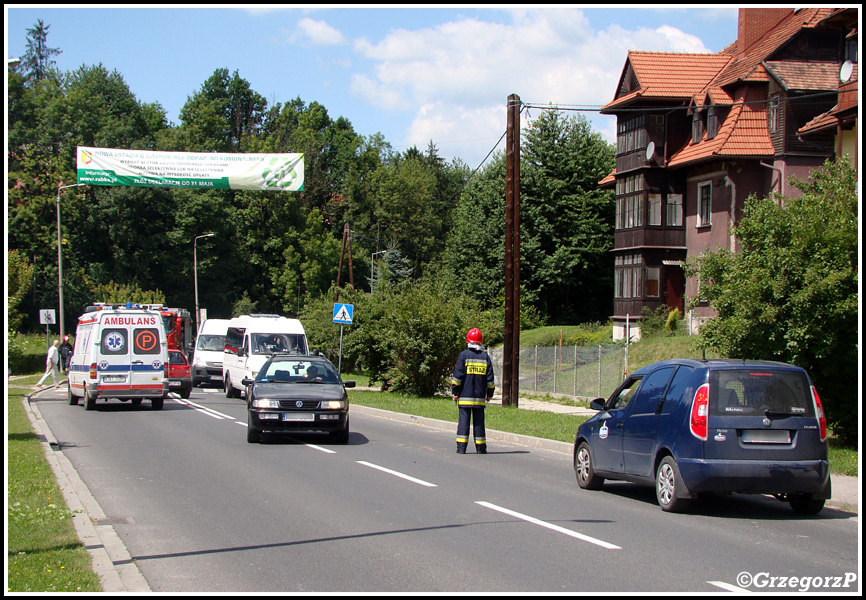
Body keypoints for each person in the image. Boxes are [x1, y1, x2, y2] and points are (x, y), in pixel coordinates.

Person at [451, 328, 495, 454]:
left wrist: (455, 392)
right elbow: (490, 380)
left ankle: (461, 448)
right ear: (480, 342)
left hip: (465, 397)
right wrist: (489, 394)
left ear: (468, 341)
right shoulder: (485, 357)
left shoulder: (463, 356)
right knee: (479, 424)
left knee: (463, 423)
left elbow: (458, 377)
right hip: (480, 398)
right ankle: (481, 448)